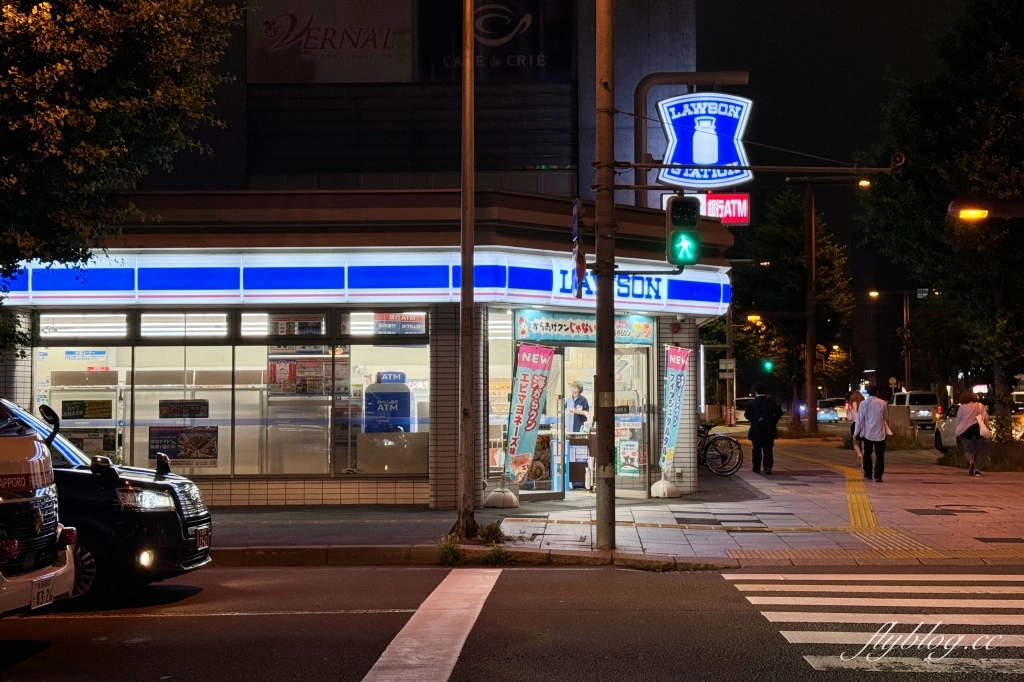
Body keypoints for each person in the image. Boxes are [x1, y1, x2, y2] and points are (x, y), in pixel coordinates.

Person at [744, 384, 783, 474]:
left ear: (755, 392)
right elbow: (779, 412)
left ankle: (756, 467)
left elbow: (747, 415)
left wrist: (754, 420)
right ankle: (768, 467)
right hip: (769, 428)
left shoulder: (750, 403)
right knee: (768, 448)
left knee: (756, 448)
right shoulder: (771, 402)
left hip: (756, 429)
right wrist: (773, 421)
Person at [854, 384, 889, 482]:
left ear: (868, 392)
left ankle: (868, 473)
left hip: (867, 432)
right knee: (880, 455)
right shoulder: (883, 403)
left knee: (867, 453)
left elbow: (859, 419)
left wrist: (856, 433)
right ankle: (878, 475)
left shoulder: (864, 403)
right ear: (877, 392)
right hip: (880, 432)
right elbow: (886, 418)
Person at [954, 389, 989, 477]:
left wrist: (957, 432)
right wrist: (987, 427)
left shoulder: (962, 408)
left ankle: (971, 461)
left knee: (968, 450)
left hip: (966, 431)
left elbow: (958, 420)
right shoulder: (980, 406)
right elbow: (986, 418)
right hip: (978, 430)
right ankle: (977, 470)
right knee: (979, 450)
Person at [848, 390, 865, 460]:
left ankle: (859, 454)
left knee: (855, 442)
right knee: (864, 441)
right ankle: (864, 453)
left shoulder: (851, 405)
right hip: (864, 424)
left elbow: (849, 417)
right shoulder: (864, 404)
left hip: (855, 424)